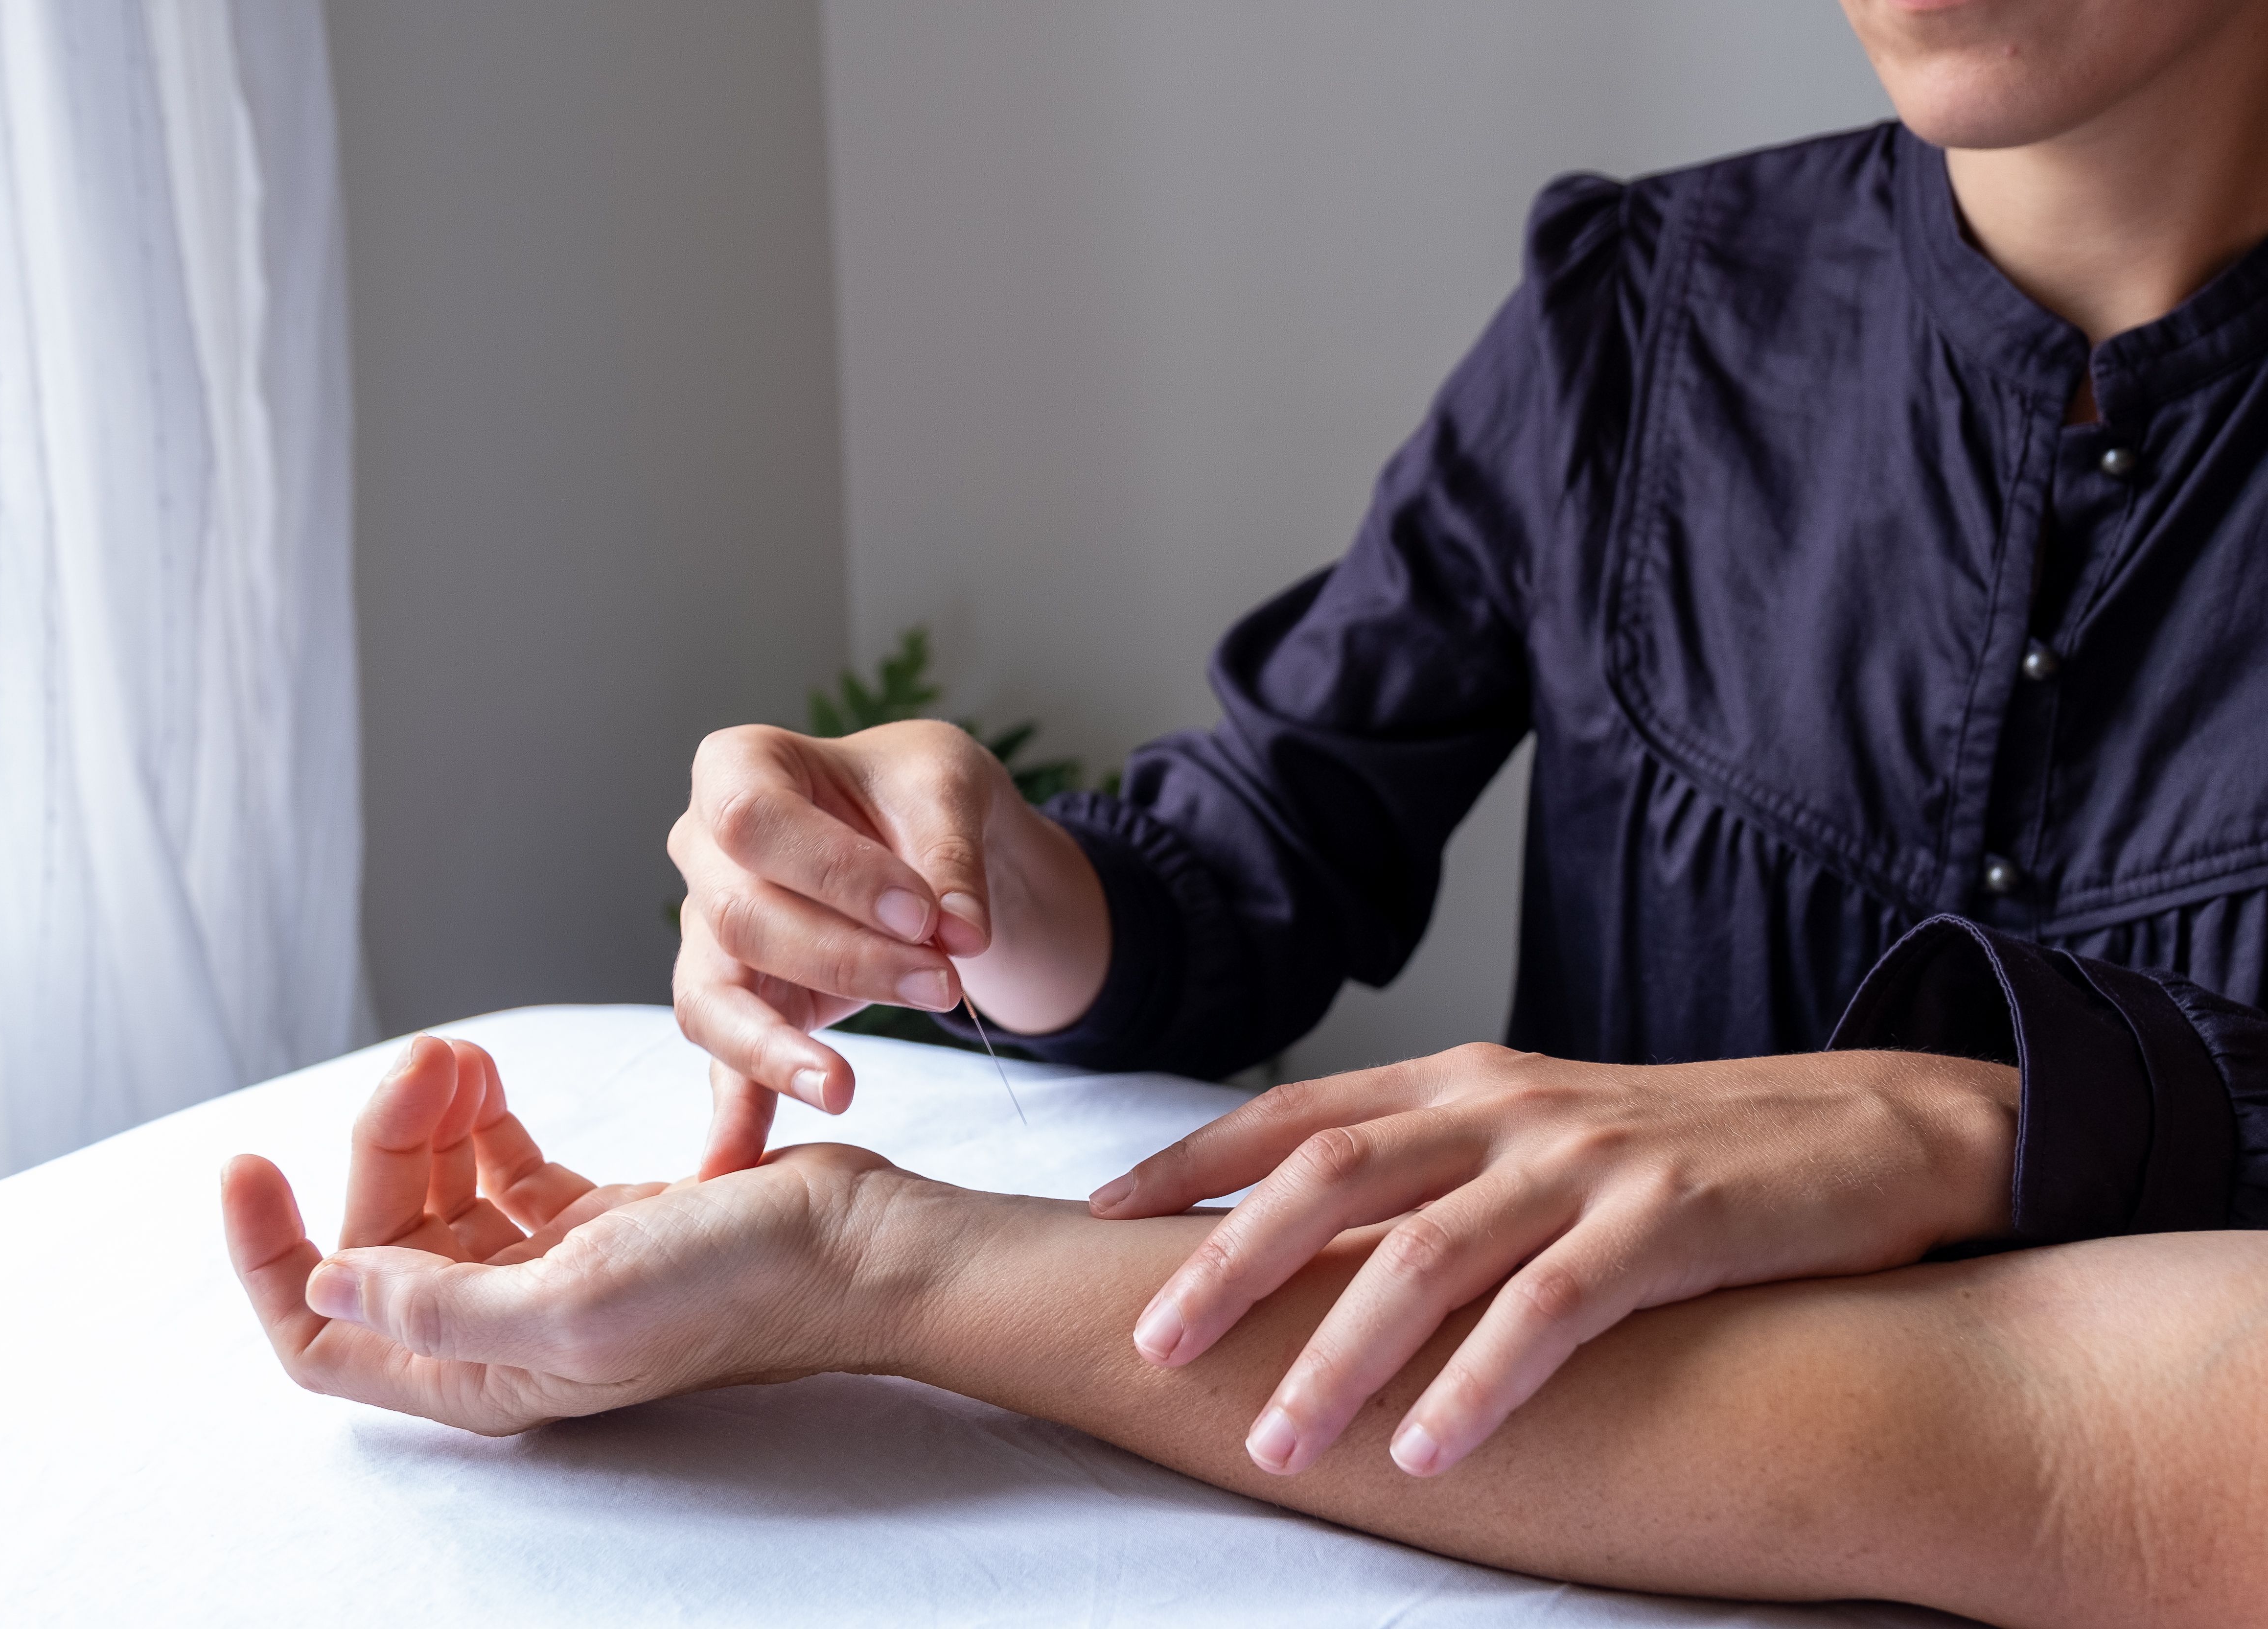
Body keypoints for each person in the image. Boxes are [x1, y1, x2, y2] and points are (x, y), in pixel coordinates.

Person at [668, 0, 2268, 1484]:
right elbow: (1261, 858)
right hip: (1580, 1522)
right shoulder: (1638, 314)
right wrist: (970, 884)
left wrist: (1953, 1127)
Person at [221, 1034, 2268, 1624]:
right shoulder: (1640, 301)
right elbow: (2060, 1433)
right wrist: (875, 1252)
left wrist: (887, 1266)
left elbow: (2078, 1451)